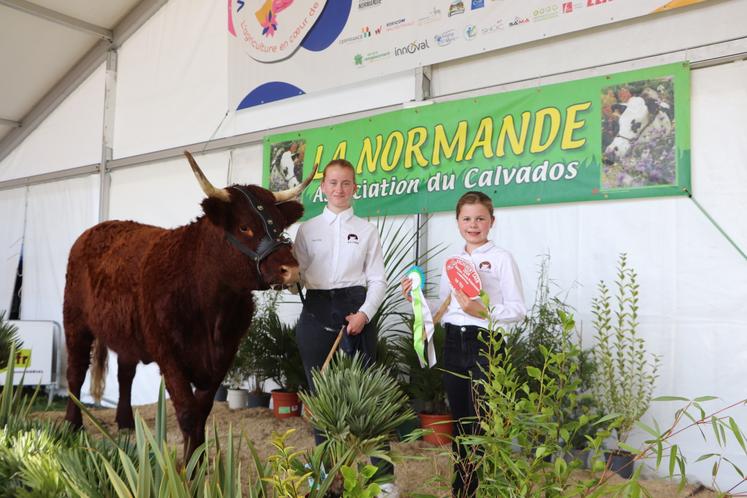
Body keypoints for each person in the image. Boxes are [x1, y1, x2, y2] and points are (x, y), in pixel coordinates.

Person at [401, 191, 526, 498]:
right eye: (467, 218)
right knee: (459, 423)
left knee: (482, 424)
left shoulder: (501, 259)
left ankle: (484, 489)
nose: (474, 224)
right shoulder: (452, 263)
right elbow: (444, 309)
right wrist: (416, 300)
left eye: (480, 218)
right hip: (453, 344)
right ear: (457, 222)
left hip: (485, 344)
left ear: (492, 221)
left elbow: (518, 310)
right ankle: (463, 490)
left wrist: (483, 311)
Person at [293, 159, 398, 497]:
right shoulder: (307, 230)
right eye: (333, 183)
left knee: (366, 398)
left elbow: (378, 279)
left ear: (355, 187)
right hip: (316, 312)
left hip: (355, 314)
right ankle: (326, 479)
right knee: (321, 401)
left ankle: (382, 481)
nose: (339, 189)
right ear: (322, 187)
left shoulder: (367, 230)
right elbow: (297, 272)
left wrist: (364, 314)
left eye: (346, 183)